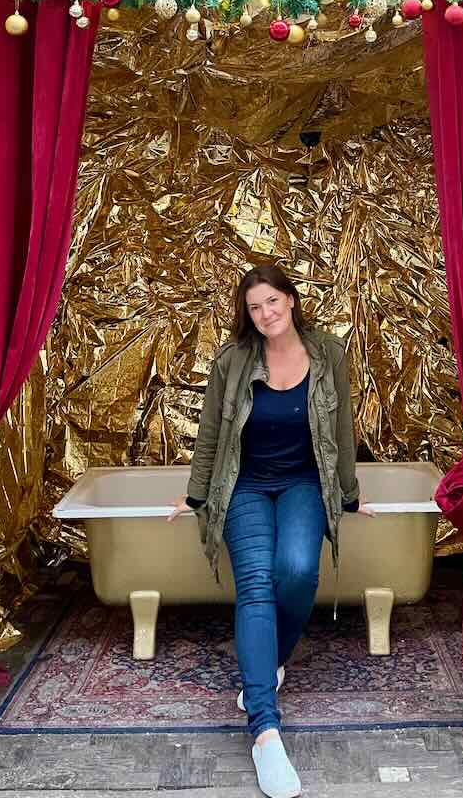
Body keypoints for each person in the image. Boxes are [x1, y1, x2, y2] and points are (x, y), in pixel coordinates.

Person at [169, 263, 370, 798]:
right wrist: (195, 496)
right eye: (255, 308)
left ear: (291, 300)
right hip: (244, 487)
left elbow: (342, 428)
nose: (265, 315)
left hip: (305, 482)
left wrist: (348, 494)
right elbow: (211, 435)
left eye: (272, 303)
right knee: (256, 585)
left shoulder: (327, 353)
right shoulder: (232, 363)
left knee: (299, 572)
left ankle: (271, 660)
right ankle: (264, 728)